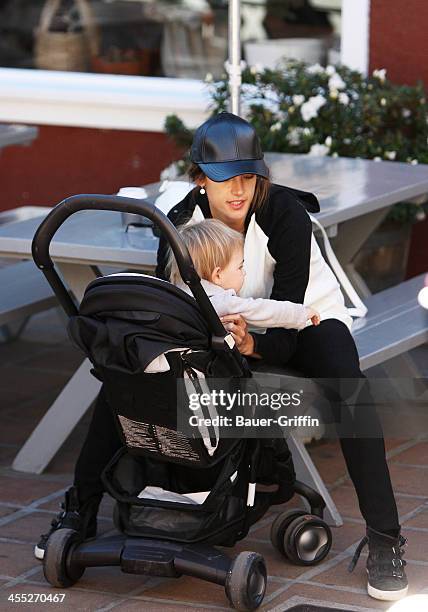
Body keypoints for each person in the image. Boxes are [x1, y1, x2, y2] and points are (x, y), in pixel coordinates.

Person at [35, 112, 407, 603]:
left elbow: (289, 316)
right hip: (218, 327)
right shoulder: (181, 223)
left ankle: (385, 538)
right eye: (223, 178)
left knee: (348, 385)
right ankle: (79, 509)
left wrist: (254, 345)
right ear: (199, 179)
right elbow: (168, 311)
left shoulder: (286, 216)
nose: (237, 190)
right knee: (126, 378)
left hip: (303, 318)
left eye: (248, 177)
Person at [167, 218, 320, 330]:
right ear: (218, 275)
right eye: (240, 267)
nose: (244, 272)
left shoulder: (175, 294)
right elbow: (264, 311)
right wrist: (301, 313)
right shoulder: (222, 303)